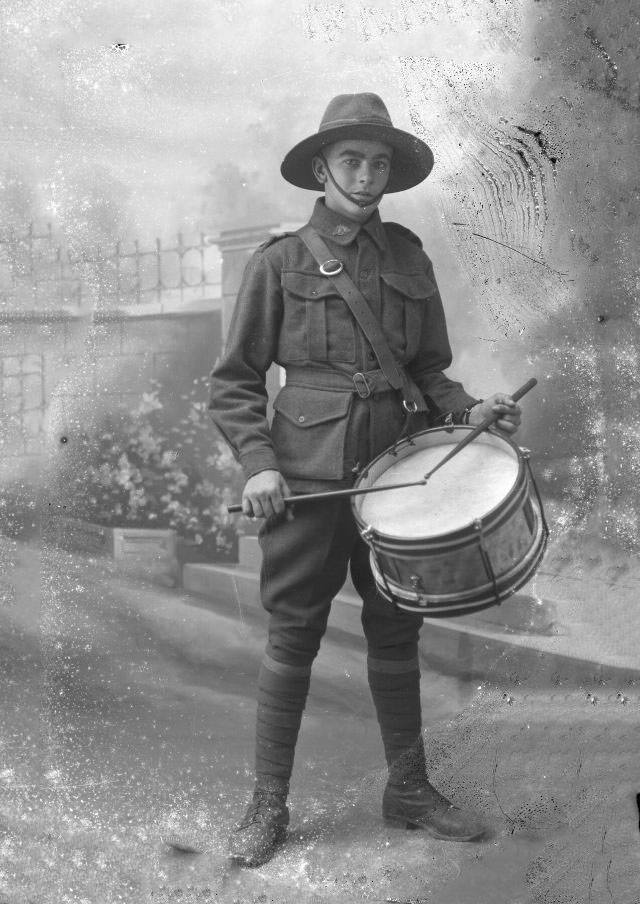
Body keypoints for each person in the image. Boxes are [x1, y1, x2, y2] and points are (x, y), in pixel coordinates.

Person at [207, 93, 521, 867]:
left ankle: (408, 791)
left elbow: (426, 370)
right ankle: (267, 806)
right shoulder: (279, 263)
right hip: (306, 480)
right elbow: (236, 381)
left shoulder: (409, 256)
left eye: (380, 162)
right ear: (322, 168)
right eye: (352, 159)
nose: (368, 173)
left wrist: (471, 408)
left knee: (396, 630)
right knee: (294, 636)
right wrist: (258, 467)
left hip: (399, 477)